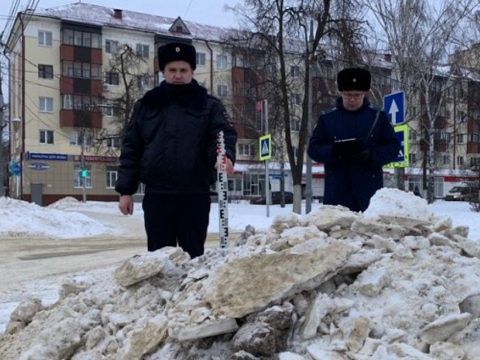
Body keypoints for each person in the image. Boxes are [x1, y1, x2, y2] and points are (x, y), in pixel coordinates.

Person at [115, 41, 237, 259]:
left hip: (194, 195)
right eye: (172, 70)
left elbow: (221, 137)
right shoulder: (146, 105)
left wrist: (223, 157)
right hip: (157, 195)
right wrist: (126, 191)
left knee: (193, 257)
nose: (178, 75)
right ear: (163, 71)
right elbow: (131, 148)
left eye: (183, 70)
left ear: (192, 71)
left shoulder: (209, 106)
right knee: (160, 259)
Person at [307, 67, 400, 212]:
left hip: (369, 193)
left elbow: (393, 147)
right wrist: (334, 151)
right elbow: (313, 149)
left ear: (365, 93)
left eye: (357, 95)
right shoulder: (327, 118)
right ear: (341, 93)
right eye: (348, 95)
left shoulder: (378, 117)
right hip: (337, 192)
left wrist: (371, 156)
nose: (352, 100)